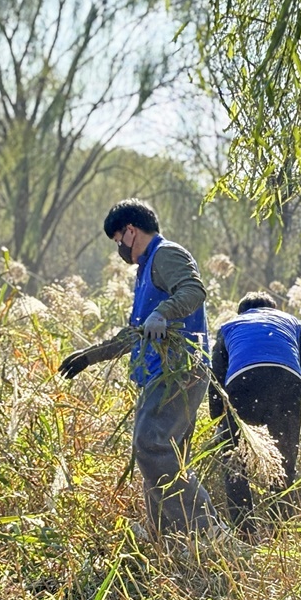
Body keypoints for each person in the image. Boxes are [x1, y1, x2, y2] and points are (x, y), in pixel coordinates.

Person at [58, 198, 225, 542]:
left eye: (119, 239)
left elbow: (195, 290)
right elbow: (136, 332)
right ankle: (167, 535)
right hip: (157, 373)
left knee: (152, 445)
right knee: (164, 455)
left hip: (177, 371)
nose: (119, 248)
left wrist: (163, 312)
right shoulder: (145, 271)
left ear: (131, 230)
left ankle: (207, 530)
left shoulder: (166, 254)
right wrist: (89, 356)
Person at [208, 291, 301, 538]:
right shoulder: (293, 322)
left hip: (241, 383)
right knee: (284, 460)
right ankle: (281, 531)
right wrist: (293, 394)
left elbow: (216, 377)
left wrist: (218, 420)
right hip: (286, 381)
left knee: (234, 460)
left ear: (242, 311)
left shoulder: (228, 326)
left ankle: (244, 531)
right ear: (274, 309)